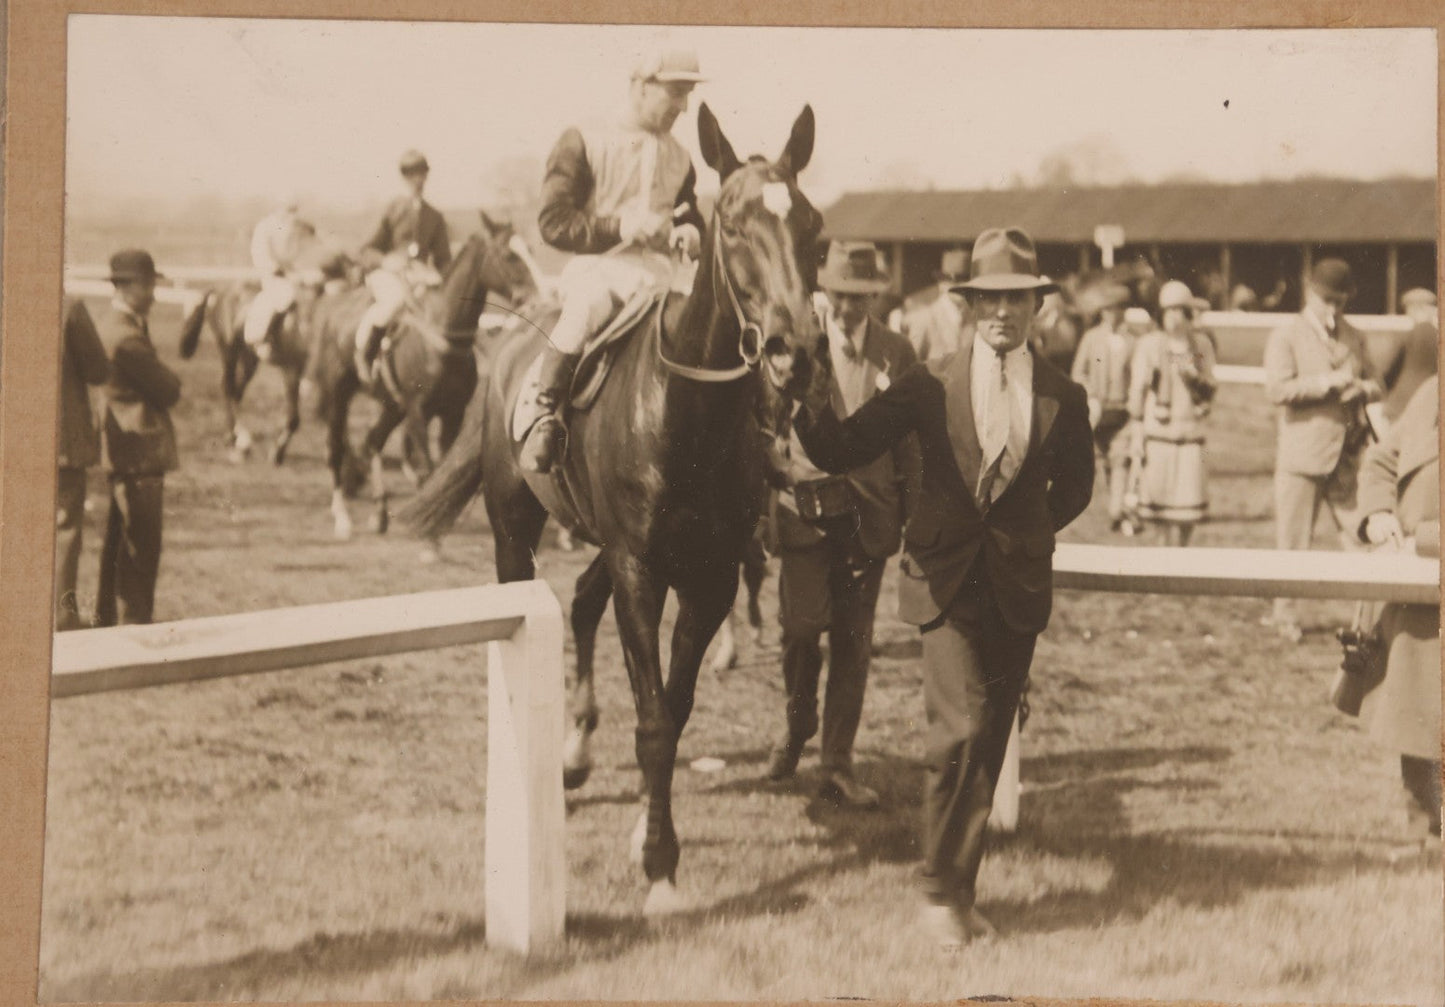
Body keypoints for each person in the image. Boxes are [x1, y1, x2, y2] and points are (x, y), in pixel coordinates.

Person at [787, 227, 1094, 948]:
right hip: (942, 578)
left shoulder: (1061, 394)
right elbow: (838, 446)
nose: (1001, 312)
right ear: (968, 303)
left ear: (1035, 308)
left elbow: (1076, 489)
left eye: (1016, 299)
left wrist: (1021, 534)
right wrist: (799, 393)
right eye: (988, 298)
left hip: (1015, 584)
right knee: (957, 726)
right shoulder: (925, 383)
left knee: (988, 735)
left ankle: (958, 891)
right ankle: (935, 892)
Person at [764, 241, 919, 807]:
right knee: (801, 633)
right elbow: (770, 428)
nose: (849, 307)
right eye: (838, 295)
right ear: (821, 293)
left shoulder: (897, 353)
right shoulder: (797, 348)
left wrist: (913, 518)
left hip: (869, 521)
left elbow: (910, 440)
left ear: (873, 295)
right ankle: (798, 724)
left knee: (854, 646)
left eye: (859, 297)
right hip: (805, 511)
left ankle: (836, 764)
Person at [519, 46, 707, 474]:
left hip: (664, 275)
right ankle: (545, 414)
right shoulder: (584, 139)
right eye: (675, 93)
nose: (684, 106)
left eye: (687, 94)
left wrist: (691, 229)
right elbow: (553, 221)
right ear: (641, 87)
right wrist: (617, 227)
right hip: (601, 266)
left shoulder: (680, 156)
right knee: (586, 308)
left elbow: (687, 209)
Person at [1263, 258, 1382, 642]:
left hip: (1347, 456)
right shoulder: (1286, 335)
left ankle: (1372, 618)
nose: (1333, 309)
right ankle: (1284, 618)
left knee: (1363, 539)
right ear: (1310, 292)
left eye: (1341, 301)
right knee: (1294, 543)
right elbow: (1277, 389)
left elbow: (1377, 382)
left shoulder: (1354, 335)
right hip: (1302, 457)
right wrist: (1326, 383)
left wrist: (1362, 388)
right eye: (1327, 300)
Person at [1354, 377, 1440, 837]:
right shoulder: (1433, 391)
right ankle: (1424, 836)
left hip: (1425, 565)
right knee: (1415, 724)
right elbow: (1383, 459)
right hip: (1417, 597)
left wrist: (1421, 541)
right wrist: (1379, 514)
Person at [94, 249, 181, 627]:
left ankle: (108, 620)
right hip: (139, 451)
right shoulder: (126, 336)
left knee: (119, 543)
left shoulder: (114, 325)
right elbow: (168, 389)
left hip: (123, 450)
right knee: (141, 547)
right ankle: (135, 626)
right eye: (148, 286)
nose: (153, 295)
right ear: (128, 287)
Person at [1127, 280, 1217, 547]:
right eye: (1169, 311)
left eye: (1180, 311)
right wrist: (1136, 432)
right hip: (1159, 434)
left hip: (1190, 434)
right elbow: (1137, 391)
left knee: (1187, 512)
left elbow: (1211, 385)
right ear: (1161, 314)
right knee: (1160, 510)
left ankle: (1180, 557)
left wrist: (1197, 380)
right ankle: (1161, 562)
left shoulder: (1201, 345)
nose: (1175, 318)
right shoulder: (1149, 345)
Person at [354, 149, 453, 382]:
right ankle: (365, 354)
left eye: (421, 174)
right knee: (395, 300)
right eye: (411, 175)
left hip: (419, 275)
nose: (417, 180)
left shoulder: (434, 216)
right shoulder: (392, 208)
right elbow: (366, 250)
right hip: (387, 272)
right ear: (404, 178)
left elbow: (444, 260)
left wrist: (438, 275)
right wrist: (386, 261)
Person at [55, 297, 109, 630]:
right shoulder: (68, 306)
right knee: (63, 529)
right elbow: (98, 369)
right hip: (59, 439)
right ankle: (61, 617)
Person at [1071, 283, 1137, 532]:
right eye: (1108, 309)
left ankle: (1116, 511)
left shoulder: (1133, 340)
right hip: (1098, 411)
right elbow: (1079, 372)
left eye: (1118, 309)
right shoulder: (1091, 339)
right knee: (1105, 461)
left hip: (1123, 410)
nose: (1113, 314)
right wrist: (1091, 395)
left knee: (1120, 459)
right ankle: (1115, 503)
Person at [243, 194, 312, 360]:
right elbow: (260, 254)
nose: (292, 214)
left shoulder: (301, 228)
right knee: (285, 297)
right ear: (278, 209)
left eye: (294, 210)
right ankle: (266, 338)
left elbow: (311, 248)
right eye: (288, 210)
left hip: (300, 275)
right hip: (276, 276)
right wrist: (278, 270)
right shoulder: (265, 227)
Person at [1376, 287, 1437, 430]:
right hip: (1429, 407)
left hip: (1401, 405)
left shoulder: (1406, 336)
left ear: (1418, 309)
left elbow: (1387, 370)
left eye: (1409, 310)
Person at [900, 248, 972, 362]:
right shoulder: (924, 318)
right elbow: (911, 367)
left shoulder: (976, 319)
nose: (959, 286)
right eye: (952, 281)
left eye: (965, 280)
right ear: (941, 284)